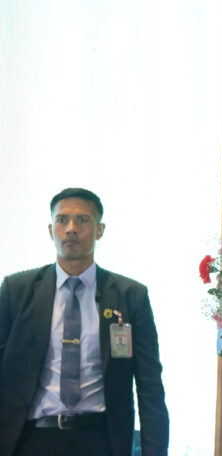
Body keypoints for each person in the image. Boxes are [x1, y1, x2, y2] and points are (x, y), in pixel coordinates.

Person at [0, 188, 169, 456]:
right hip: (31, 439)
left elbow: (150, 388)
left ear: (99, 230)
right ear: (51, 230)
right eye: (62, 220)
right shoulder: (16, 291)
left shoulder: (130, 296)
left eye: (82, 220)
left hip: (101, 440)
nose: (71, 228)